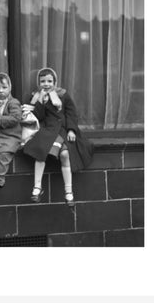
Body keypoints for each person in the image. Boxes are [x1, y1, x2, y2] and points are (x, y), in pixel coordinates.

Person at [22, 67, 94, 207]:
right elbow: (38, 116)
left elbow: (71, 113)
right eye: (43, 81)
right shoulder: (37, 96)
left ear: (55, 81)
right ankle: (37, 187)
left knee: (65, 154)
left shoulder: (63, 95)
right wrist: (40, 102)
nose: (46, 84)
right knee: (40, 153)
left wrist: (72, 130)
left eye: (49, 81)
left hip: (62, 130)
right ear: (39, 83)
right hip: (47, 130)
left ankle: (68, 191)